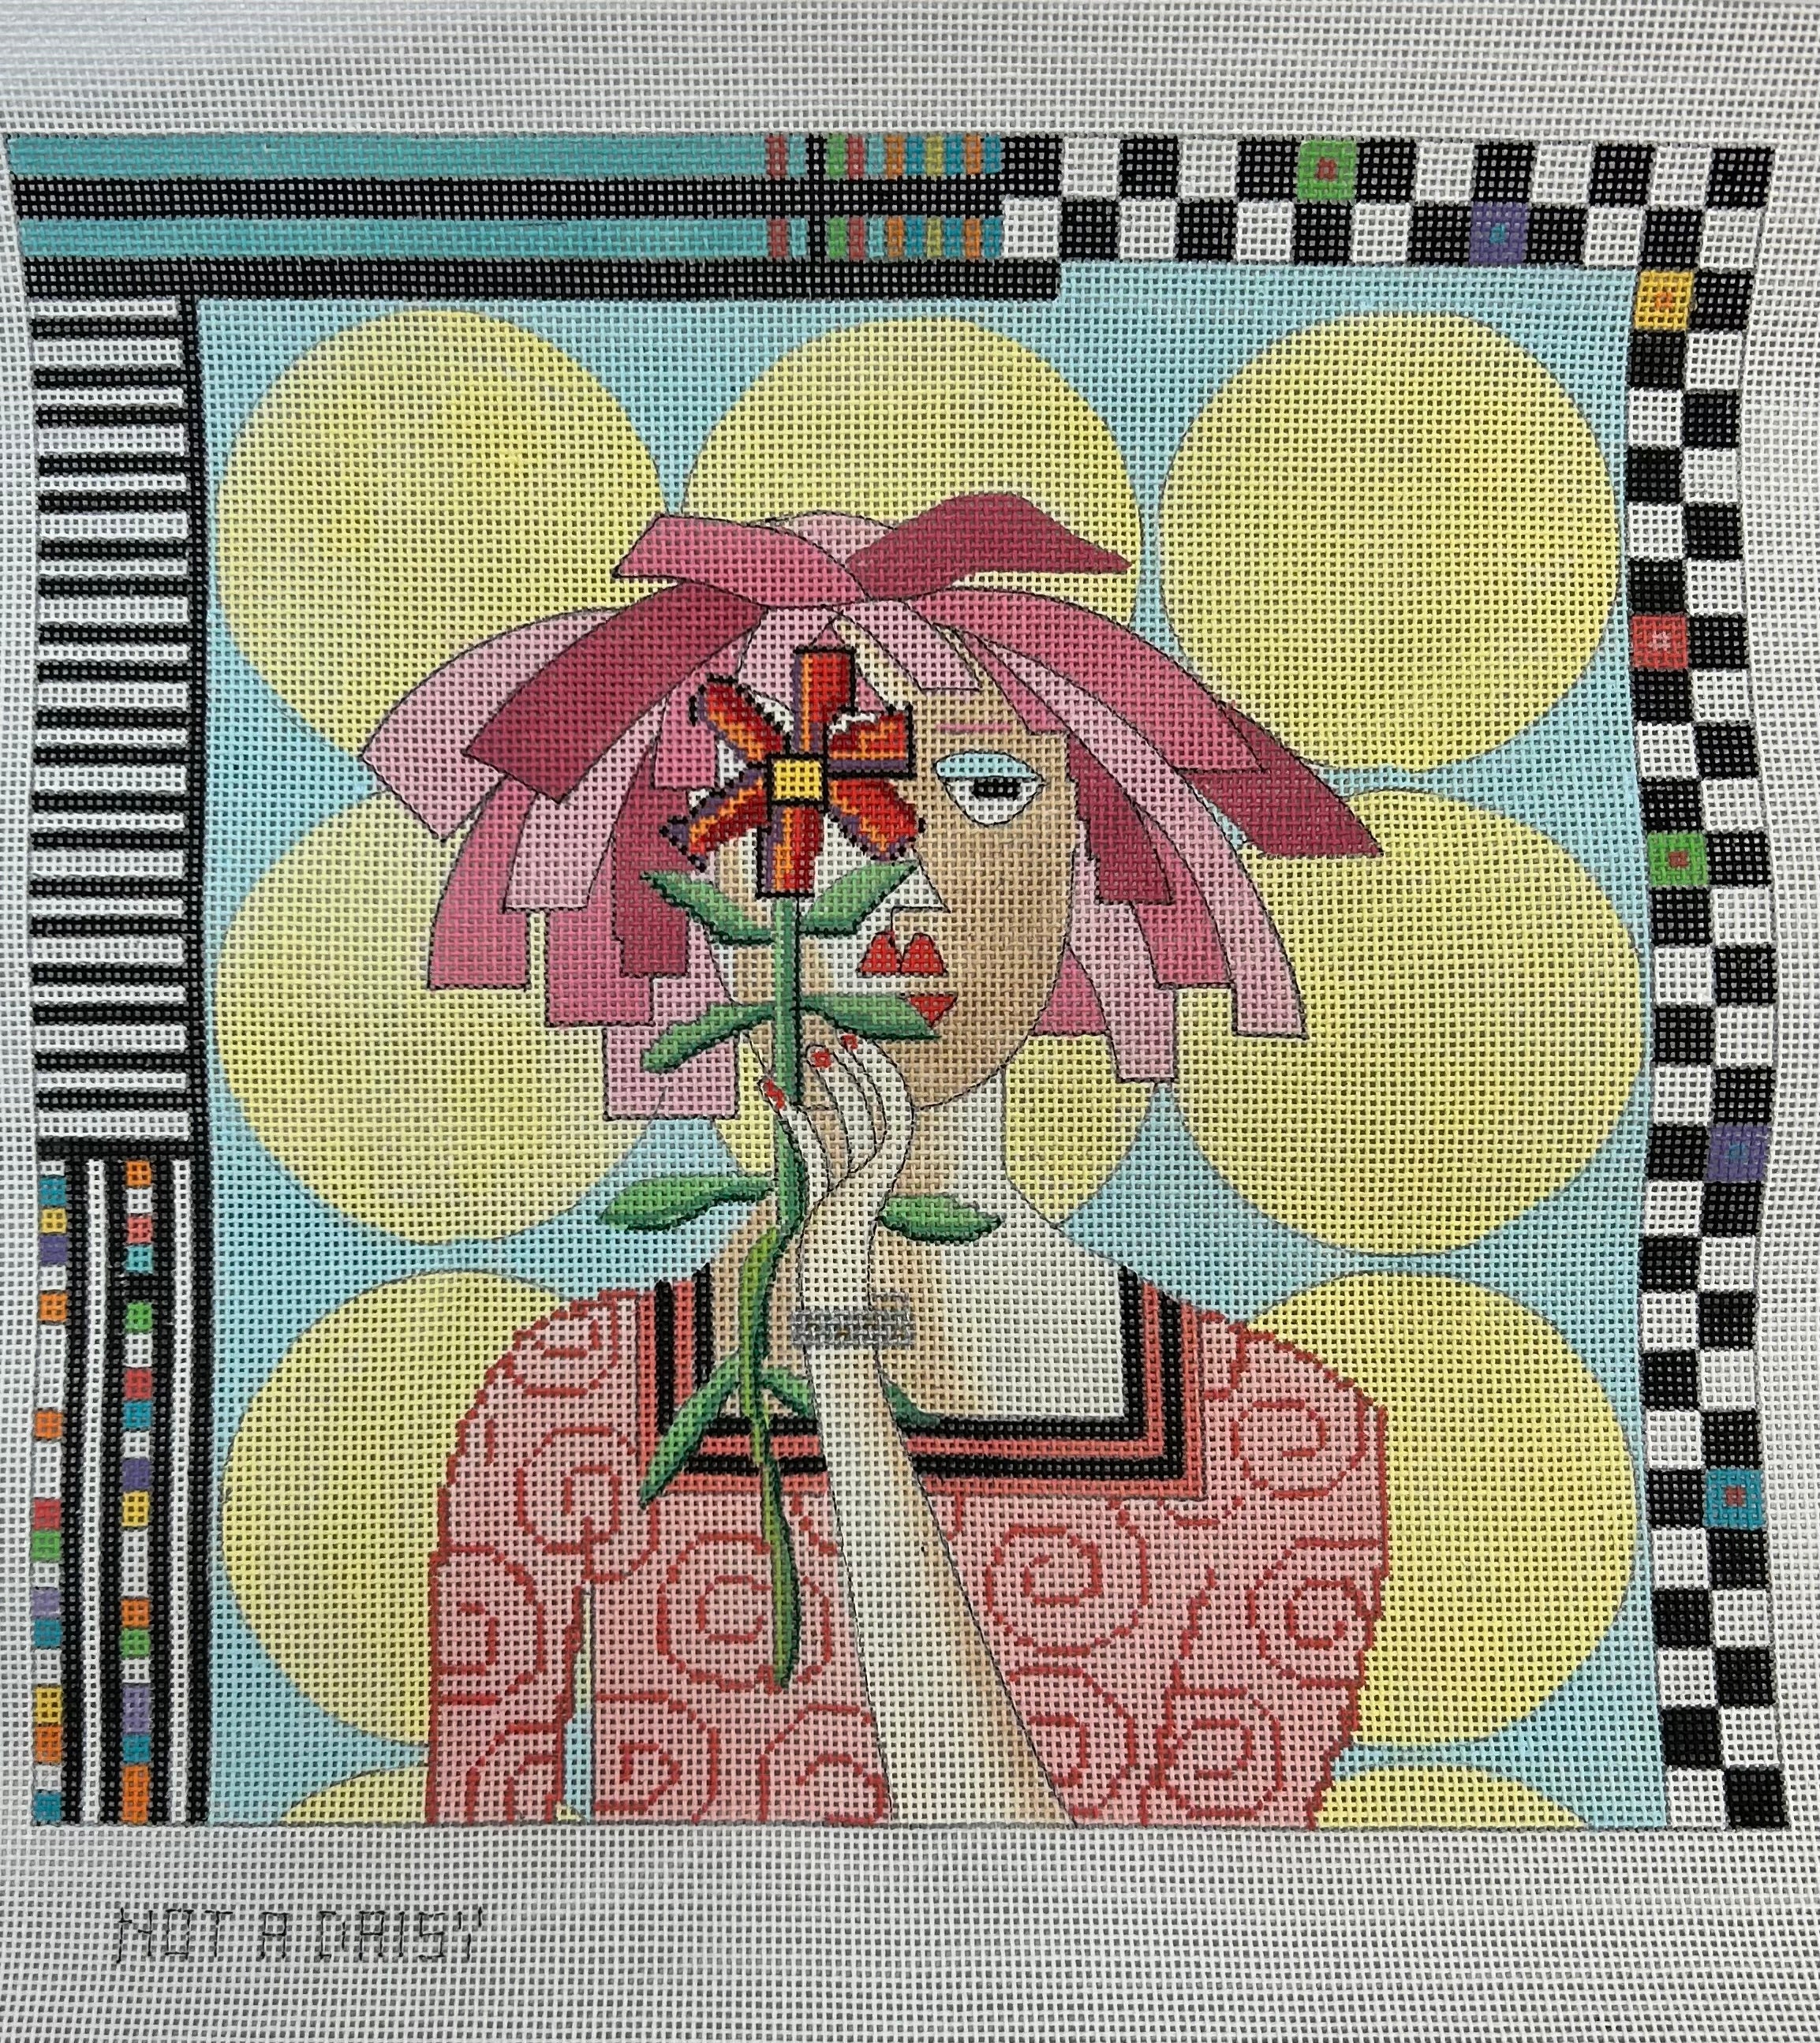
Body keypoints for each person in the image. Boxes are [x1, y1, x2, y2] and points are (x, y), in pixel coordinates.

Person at [366, 494, 1389, 1825]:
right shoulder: (570, 1410)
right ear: (686, 882)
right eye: (800, 792)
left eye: (987, 789)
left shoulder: (1276, 1438)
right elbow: (475, 1895)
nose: (906, 879)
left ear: (1088, 854)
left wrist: (843, 1361)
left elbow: (1133, 1925)